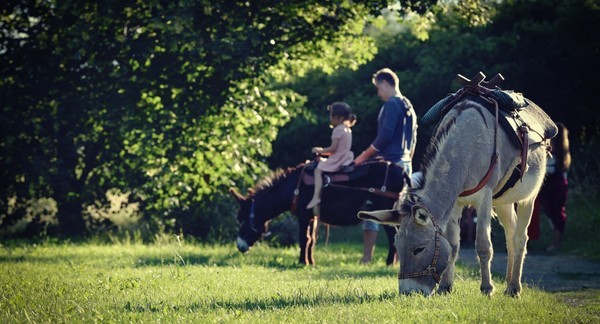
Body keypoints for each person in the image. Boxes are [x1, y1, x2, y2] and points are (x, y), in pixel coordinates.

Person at [354, 68, 417, 264]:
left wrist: (362, 157)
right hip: (405, 165)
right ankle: (397, 259)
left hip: (389, 164)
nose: (378, 93)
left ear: (384, 83)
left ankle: (367, 258)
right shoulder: (409, 105)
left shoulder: (391, 104)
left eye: (378, 88)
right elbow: (414, 139)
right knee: (400, 214)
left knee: (372, 207)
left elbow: (386, 135)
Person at [528, 122, 571, 251]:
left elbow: (549, 170)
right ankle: (556, 242)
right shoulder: (564, 152)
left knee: (554, 213)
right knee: (555, 213)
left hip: (552, 185)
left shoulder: (553, 151)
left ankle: (556, 243)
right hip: (557, 184)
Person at [306, 102, 357, 210]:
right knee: (322, 162)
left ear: (339, 118)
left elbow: (333, 149)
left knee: (318, 171)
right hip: (344, 157)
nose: (330, 118)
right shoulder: (347, 129)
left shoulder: (338, 130)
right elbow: (338, 149)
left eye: (331, 115)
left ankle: (316, 197)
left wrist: (319, 151)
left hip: (338, 158)